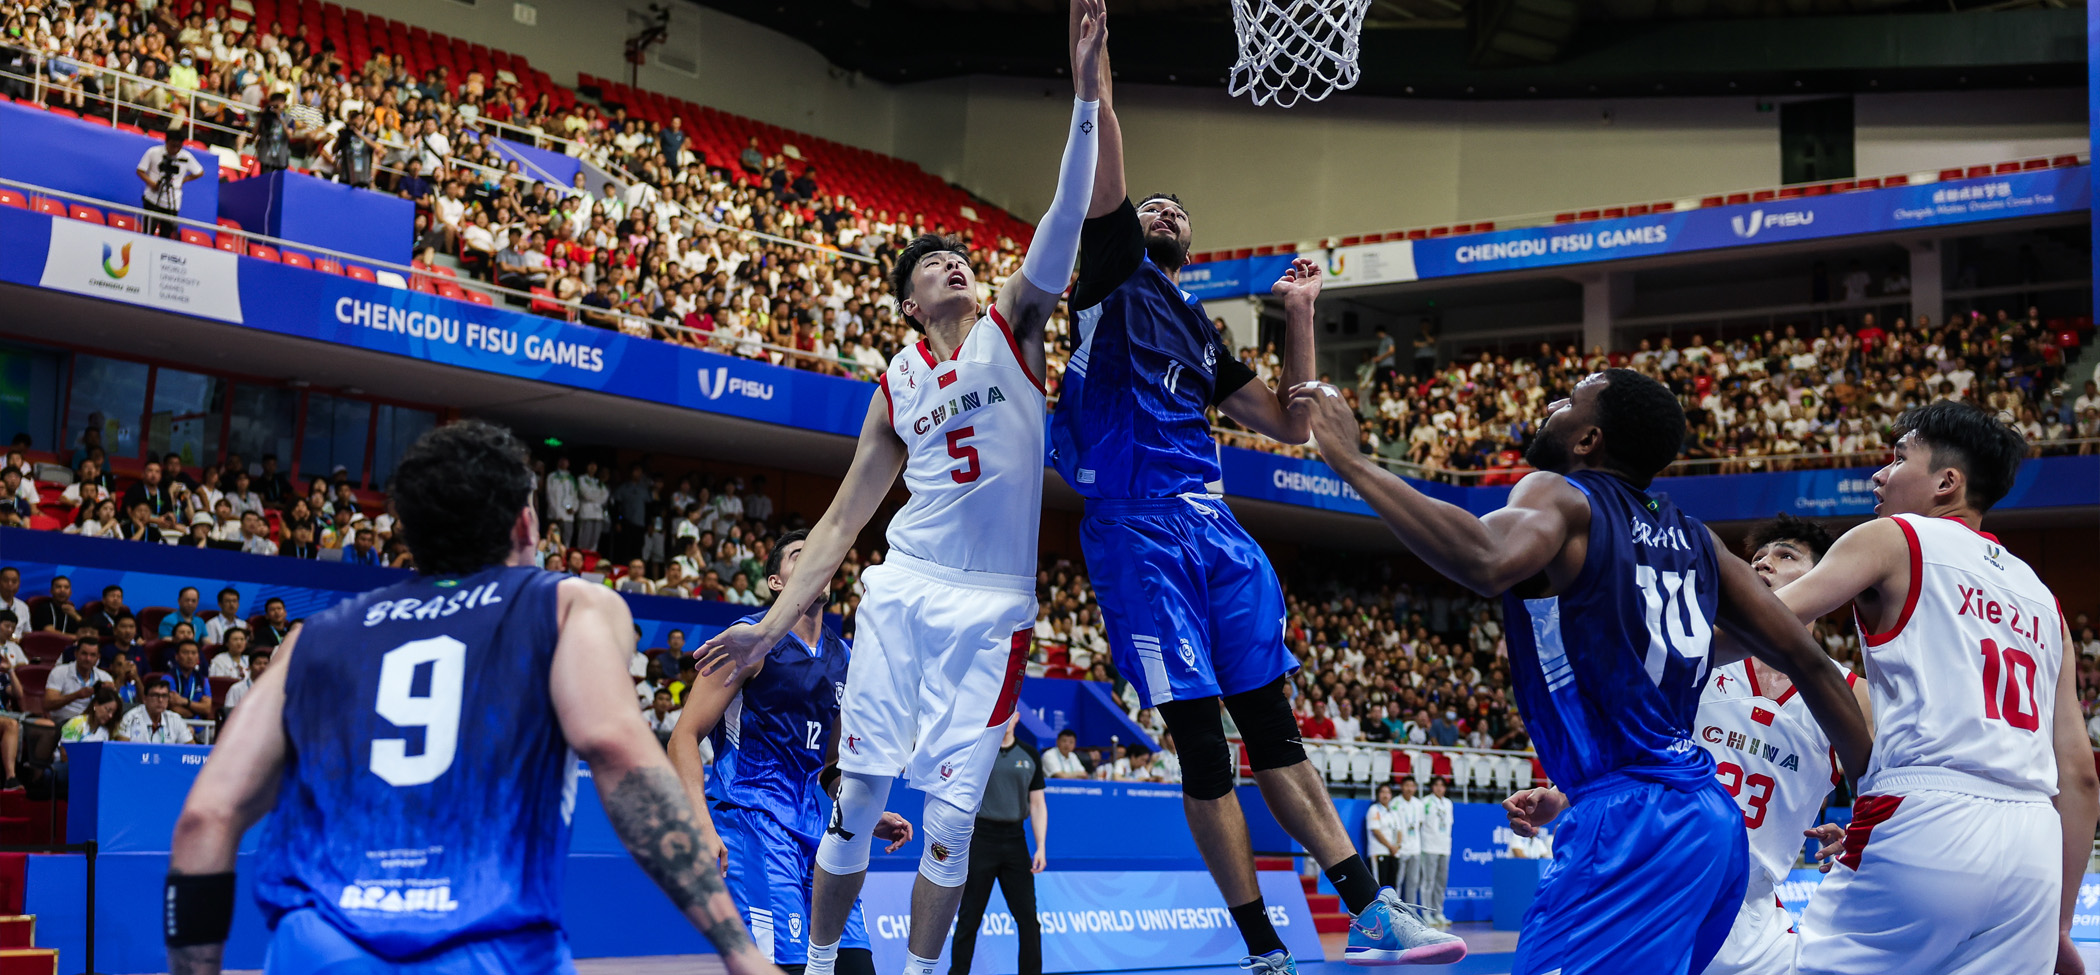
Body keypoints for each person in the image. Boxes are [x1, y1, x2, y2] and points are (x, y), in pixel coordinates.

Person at [696, 12, 1104, 975]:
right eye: (931, 266)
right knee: (860, 803)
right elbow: (842, 522)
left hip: (993, 608)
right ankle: (830, 957)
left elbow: (1061, 217)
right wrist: (767, 623)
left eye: (958, 256)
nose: (954, 263)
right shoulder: (896, 382)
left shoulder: (1016, 325)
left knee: (952, 826)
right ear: (912, 304)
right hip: (904, 590)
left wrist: (1086, 101)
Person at [1291, 368, 1872, 975]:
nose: (1551, 404)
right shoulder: (1698, 541)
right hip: (1707, 822)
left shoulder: (1560, 494)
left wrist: (1354, 462)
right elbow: (1808, 661)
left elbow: (1486, 561)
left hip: (1631, 819)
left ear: (1588, 440)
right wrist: (1876, 808)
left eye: (1569, 401)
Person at [164, 420, 780, 975]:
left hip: (317, 948)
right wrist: (736, 948)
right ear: (525, 522)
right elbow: (615, 746)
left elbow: (204, 819)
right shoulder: (570, 606)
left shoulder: (312, 639)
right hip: (491, 949)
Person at [1044, 23, 1399, 975]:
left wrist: (1300, 315)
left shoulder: (1200, 329)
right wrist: (1093, 64)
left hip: (1217, 532)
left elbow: (1292, 425)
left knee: (1275, 732)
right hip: (1138, 527)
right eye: (1148, 201)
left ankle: (1369, 909)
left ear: (1193, 238)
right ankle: (1260, 945)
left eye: (1174, 208)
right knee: (1205, 749)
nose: (1159, 209)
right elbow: (1105, 132)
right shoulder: (1111, 273)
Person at [1764, 401, 2098, 975]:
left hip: (1928, 809)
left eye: (1898, 458)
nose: (1879, 474)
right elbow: (2081, 773)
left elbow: (1762, 624)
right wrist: (2060, 921)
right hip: (2033, 846)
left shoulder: (1895, 537)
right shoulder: (2045, 599)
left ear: (1947, 482)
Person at [669, 529, 909, 975]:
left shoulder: (845, 659)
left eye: (822, 554)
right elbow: (683, 736)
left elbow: (830, 765)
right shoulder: (748, 641)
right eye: (801, 555)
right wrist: (700, 823)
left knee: (856, 966)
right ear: (777, 582)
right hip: (752, 825)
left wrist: (866, 813)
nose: (817, 560)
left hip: (816, 836)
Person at [1693, 515, 1872, 975]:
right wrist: (1562, 795)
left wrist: (1861, 832)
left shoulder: (1853, 693)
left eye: (1784, 555)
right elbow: (1634, 753)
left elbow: (1885, 789)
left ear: (1825, 581)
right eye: (1755, 558)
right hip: (1664, 886)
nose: (1763, 564)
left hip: (1754, 913)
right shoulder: (1697, 660)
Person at [949, 713, 1048, 975]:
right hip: (981, 838)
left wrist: (1041, 847)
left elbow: (1037, 804)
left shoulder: (1029, 755)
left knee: (1028, 920)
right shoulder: (978, 751)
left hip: (1016, 841)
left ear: (1016, 718)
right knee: (969, 917)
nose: (1007, 719)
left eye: (1011, 714)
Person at [137, 125, 209, 239]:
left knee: (165, 235)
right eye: (172, 146)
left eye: (178, 146)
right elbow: (140, 170)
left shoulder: (186, 157)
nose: (175, 150)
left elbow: (199, 172)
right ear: (166, 142)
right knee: (147, 233)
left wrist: (183, 180)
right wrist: (152, 184)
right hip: (152, 199)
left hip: (172, 200)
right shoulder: (153, 152)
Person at [1417, 778, 1454, 929]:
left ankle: (1439, 912)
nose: (1439, 788)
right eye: (1436, 785)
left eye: (1442, 786)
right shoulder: (1424, 802)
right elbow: (1419, 824)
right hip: (1429, 846)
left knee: (1441, 882)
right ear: (1432, 787)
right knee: (1428, 881)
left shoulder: (1448, 803)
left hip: (1444, 847)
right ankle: (1426, 913)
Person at [121, 679, 196, 745]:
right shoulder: (129, 718)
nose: (160, 700)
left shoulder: (175, 719)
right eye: (155, 695)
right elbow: (121, 750)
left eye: (164, 696)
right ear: (145, 698)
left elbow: (192, 750)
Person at [1391, 777, 1423, 906]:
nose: (1409, 788)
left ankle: (1412, 913)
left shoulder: (1419, 804)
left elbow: (1419, 824)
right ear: (1401, 787)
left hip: (1415, 849)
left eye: (1412, 786)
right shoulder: (1395, 803)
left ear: (1415, 788)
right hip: (1400, 849)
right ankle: (1396, 911)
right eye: (1406, 785)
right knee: (1397, 882)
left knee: (1413, 883)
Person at [1366, 784, 1400, 889]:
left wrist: (1397, 846)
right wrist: (1390, 846)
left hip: (1393, 854)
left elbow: (1399, 831)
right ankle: (1379, 905)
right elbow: (1376, 831)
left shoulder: (1393, 812)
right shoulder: (1374, 810)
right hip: (1379, 851)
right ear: (1378, 795)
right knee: (1380, 885)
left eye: (1388, 792)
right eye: (1382, 792)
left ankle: (1391, 906)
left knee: (1392, 886)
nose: (1385, 795)